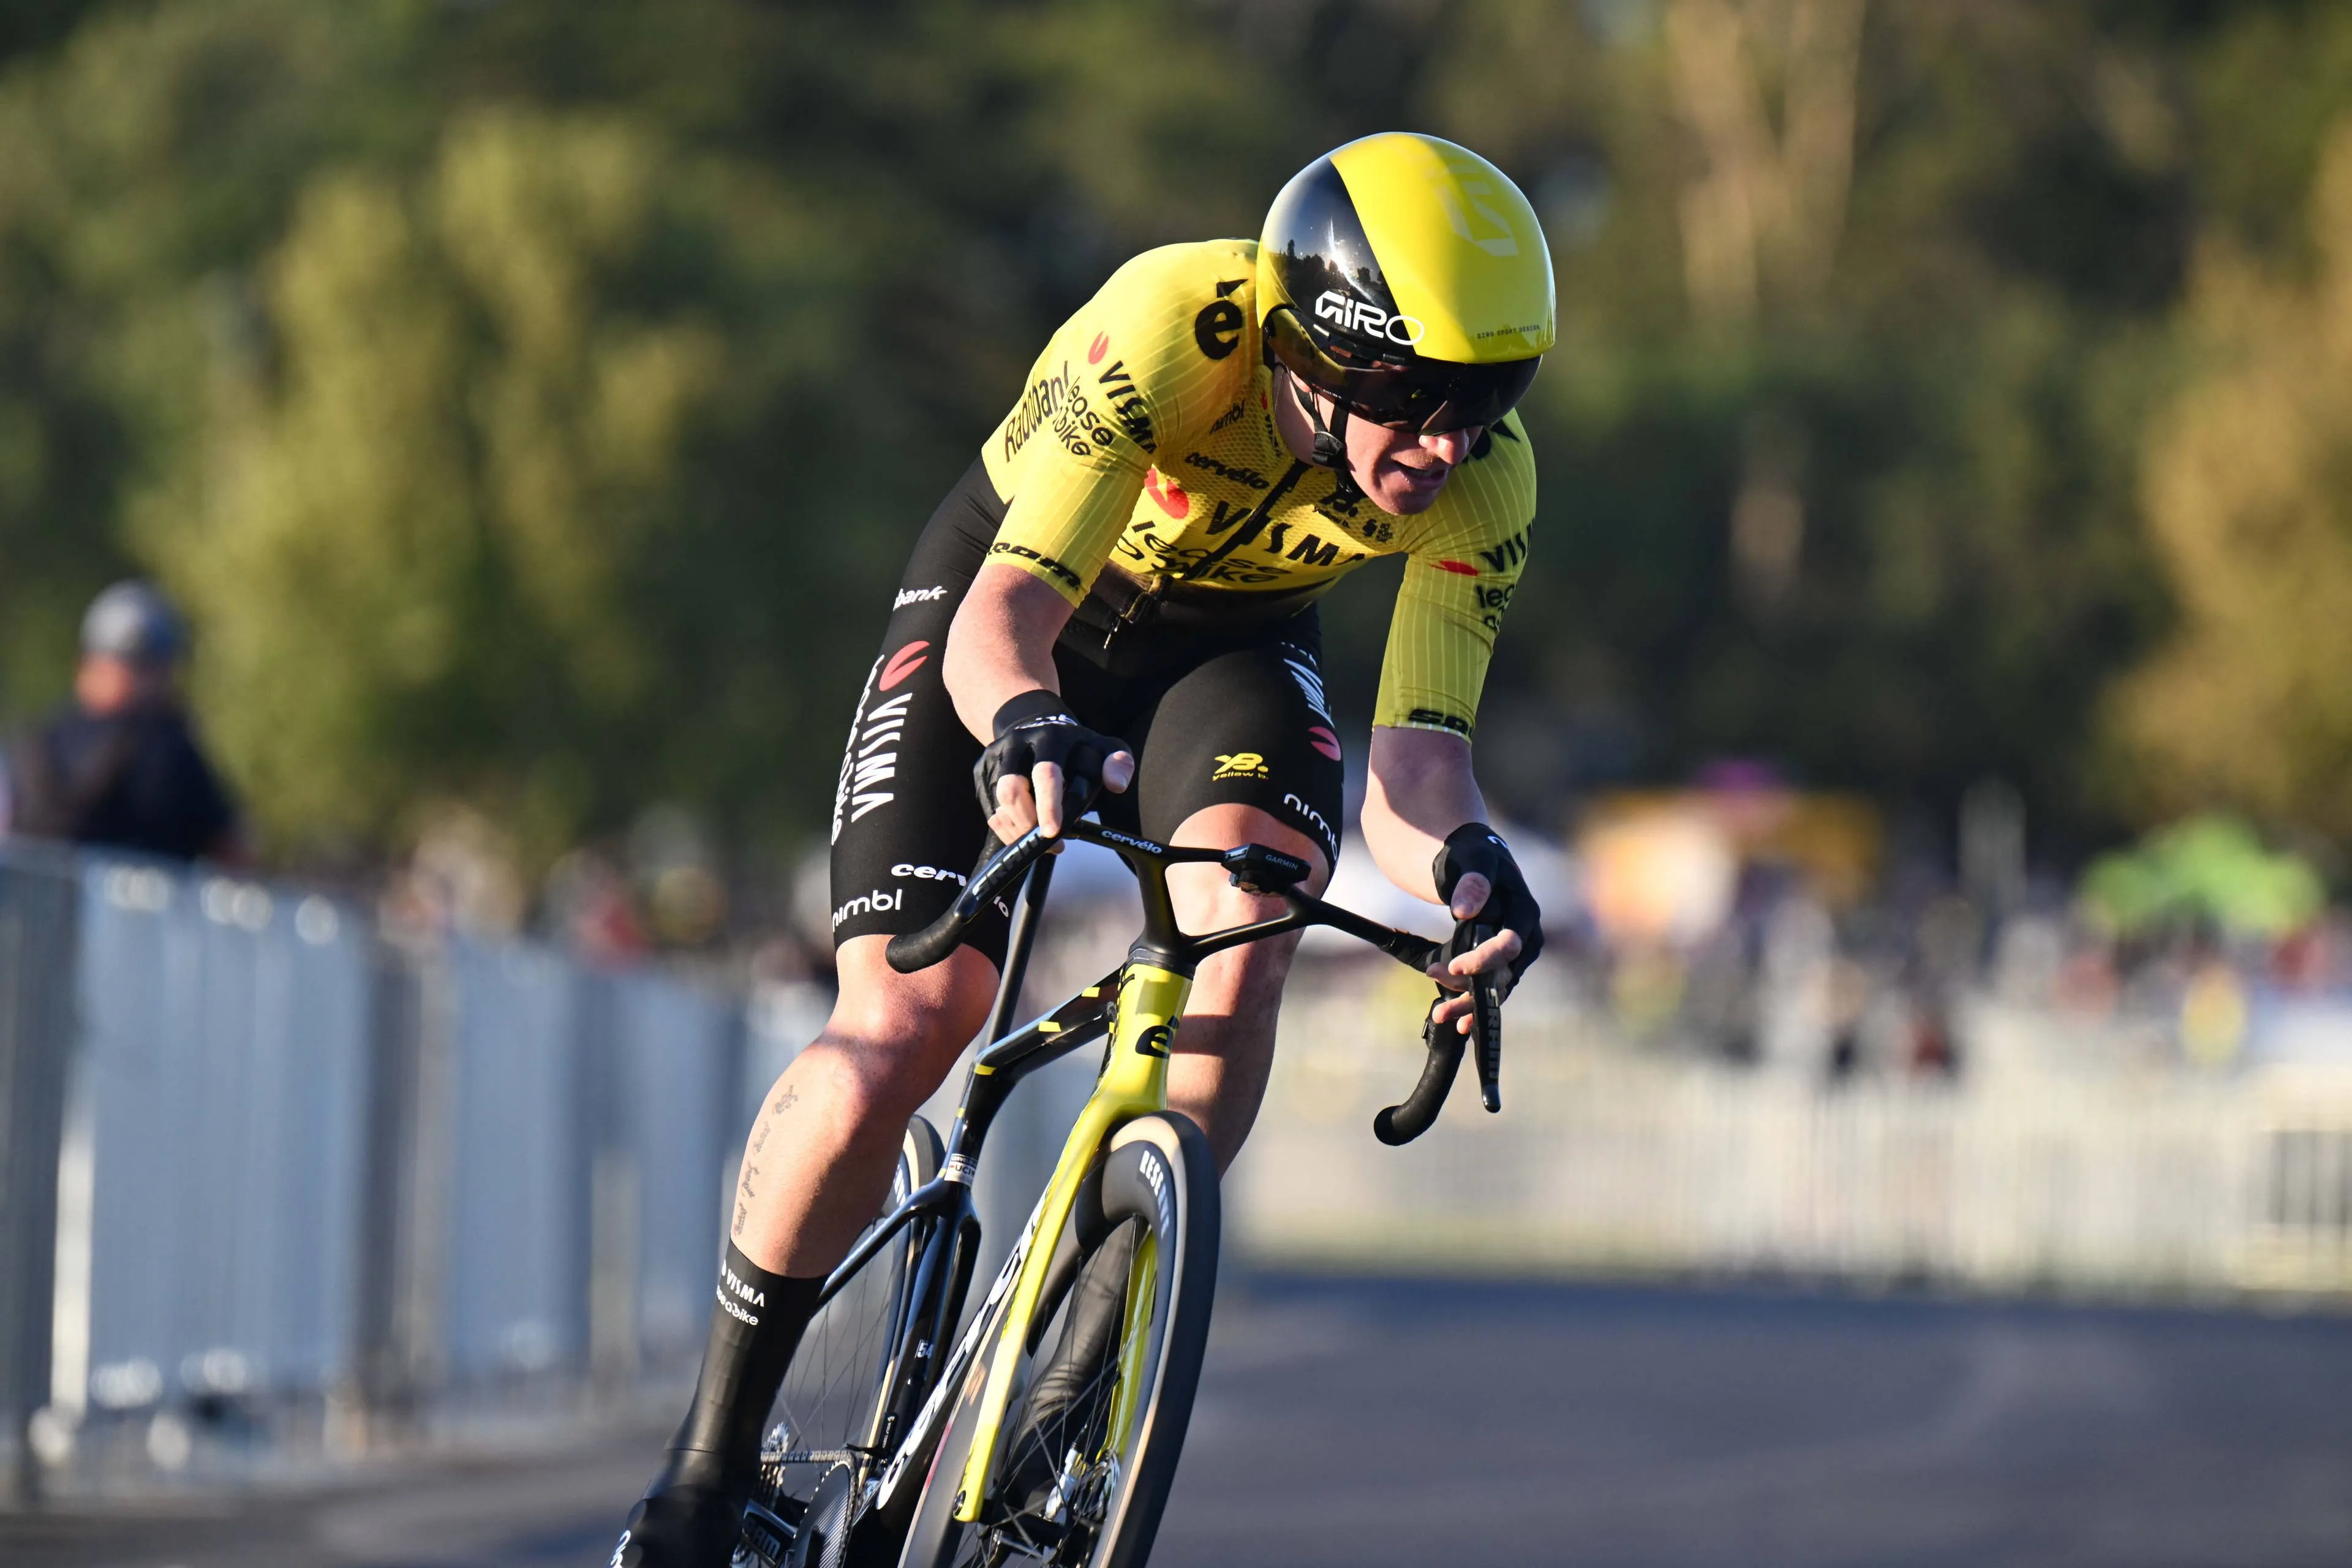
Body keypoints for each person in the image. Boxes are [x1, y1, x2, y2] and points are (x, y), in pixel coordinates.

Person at [617, 131, 1553, 1565]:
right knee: (907, 1014)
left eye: (1481, 407)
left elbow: (1416, 764)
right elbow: (999, 627)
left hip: (1226, 650)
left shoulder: (1482, 486)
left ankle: (1075, 1386)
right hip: (1021, 594)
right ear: (1314, 346)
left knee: (1250, 923)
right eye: (1414, 399)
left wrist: (1466, 865)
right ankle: (705, 1460)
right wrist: (1018, 731)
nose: (1444, 446)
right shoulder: (1176, 327)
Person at [2, 580, 240, 863]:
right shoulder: (168, 746)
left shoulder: (35, 741)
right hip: (144, 907)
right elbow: (234, 850)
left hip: (35, 905)